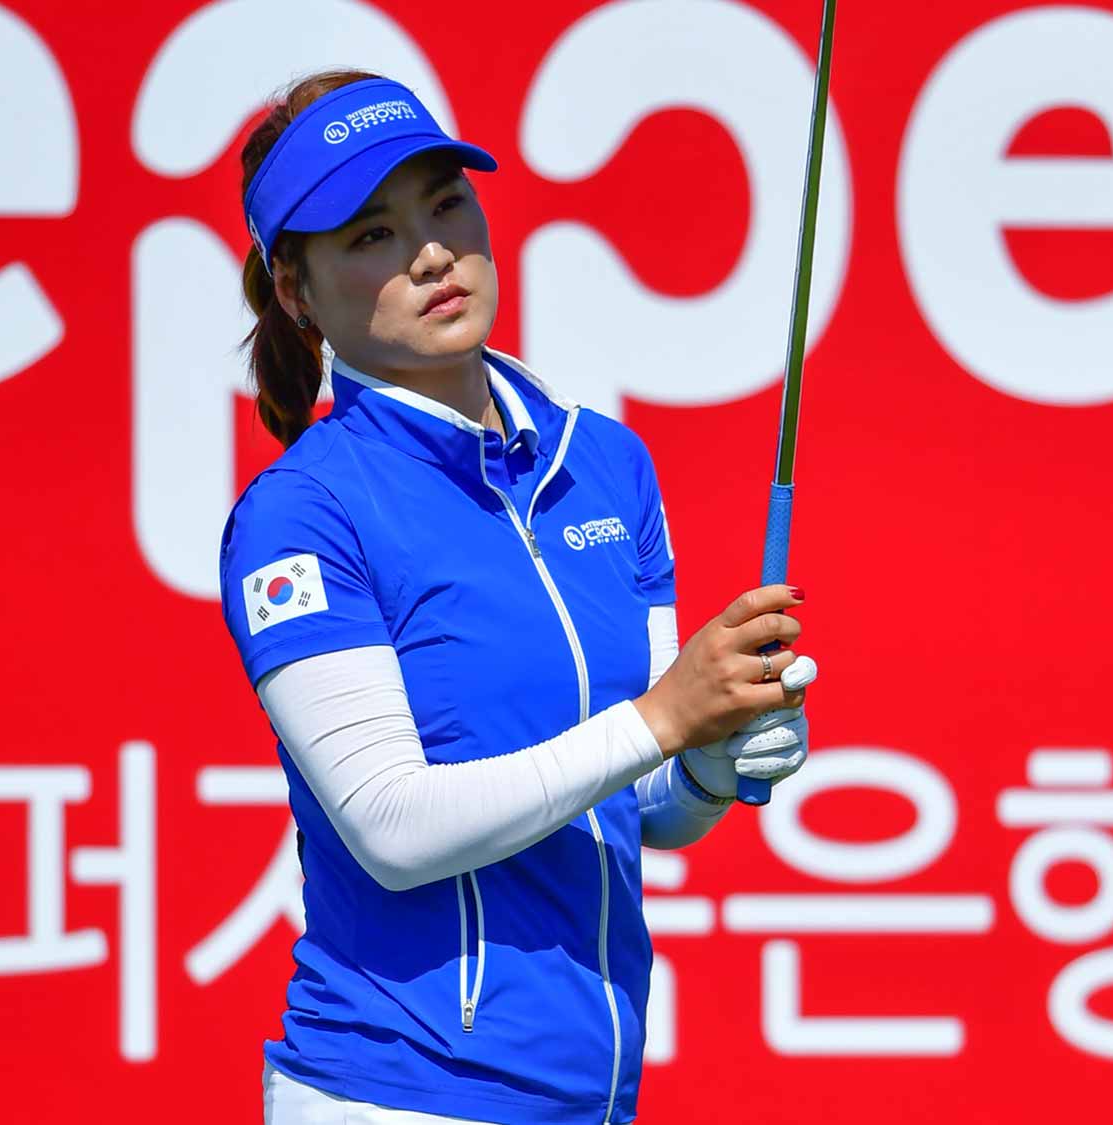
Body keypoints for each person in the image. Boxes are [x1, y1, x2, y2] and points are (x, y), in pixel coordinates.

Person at [217, 69, 819, 1125]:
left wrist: (711, 764)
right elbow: (392, 830)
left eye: (444, 204)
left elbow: (637, 806)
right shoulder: (302, 513)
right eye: (370, 235)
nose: (430, 252)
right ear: (297, 293)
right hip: (394, 1096)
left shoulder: (607, 466)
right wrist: (664, 716)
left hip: (588, 1099)